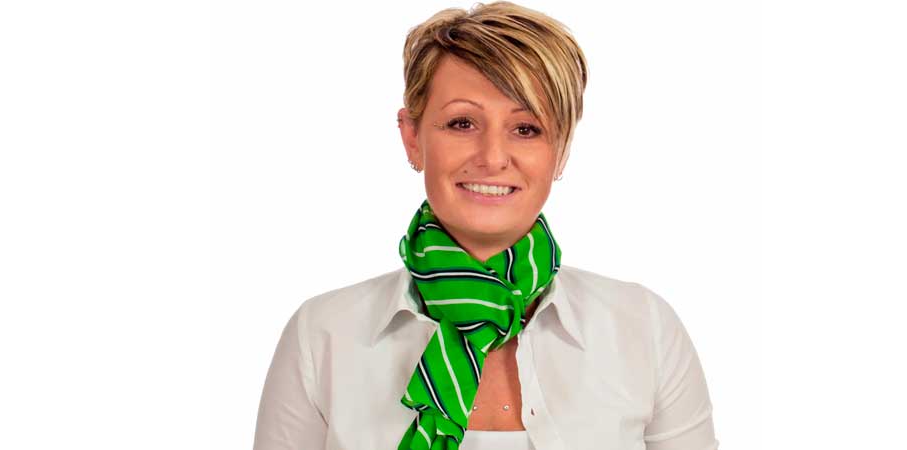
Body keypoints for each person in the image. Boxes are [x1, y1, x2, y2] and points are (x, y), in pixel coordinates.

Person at [253, 2, 719, 449]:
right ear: (412, 137)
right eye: (462, 123)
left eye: (526, 129)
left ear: (560, 150)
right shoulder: (322, 337)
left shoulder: (644, 329)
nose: (493, 158)